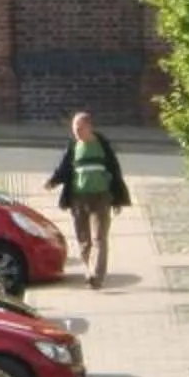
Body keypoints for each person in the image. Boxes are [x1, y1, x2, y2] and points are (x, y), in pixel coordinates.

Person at [44, 110, 130, 287]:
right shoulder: (73, 146)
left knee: (100, 238)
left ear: (89, 127)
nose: (76, 131)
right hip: (78, 198)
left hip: (101, 197)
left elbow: (115, 171)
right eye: (74, 128)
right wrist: (53, 181)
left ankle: (97, 277)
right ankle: (88, 269)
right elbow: (64, 168)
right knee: (84, 239)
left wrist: (118, 199)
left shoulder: (102, 145)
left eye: (80, 128)